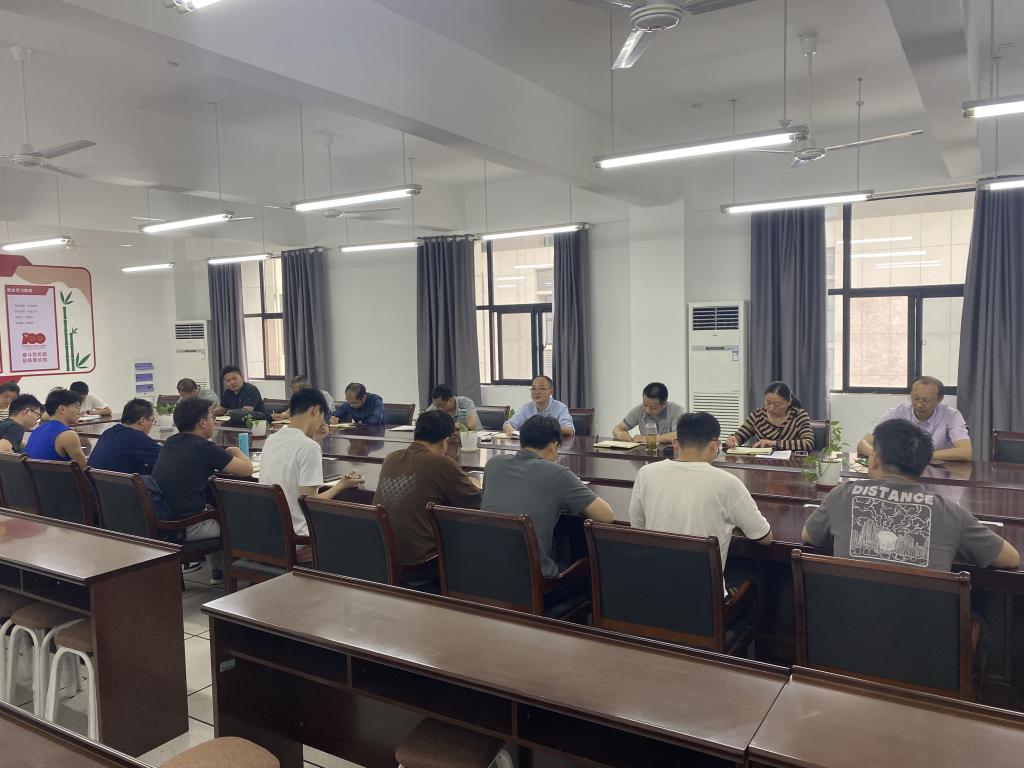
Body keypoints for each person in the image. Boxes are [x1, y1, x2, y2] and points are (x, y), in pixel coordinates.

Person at [805, 419, 1019, 571]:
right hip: (924, 623)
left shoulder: (842, 495)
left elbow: (809, 536)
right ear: (923, 468)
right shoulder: (950, 512)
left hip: (845, 620)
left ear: (875, 459)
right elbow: (1010, 559)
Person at [629, 412, 772, 585]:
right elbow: (764, 537)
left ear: (675, 444)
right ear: (715, 445)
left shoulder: (646, 473)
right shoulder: (728, 482)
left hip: (653, 587)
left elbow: (637, 527)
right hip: (704, 595)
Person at [483, 415, 613, 578]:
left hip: (487, 571)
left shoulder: (493, 464)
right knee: (587, 569)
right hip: (532, 580)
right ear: (553, 446)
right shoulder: (558, 474)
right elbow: (606, 516)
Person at [151, 398, 253, 585]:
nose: (213, 422)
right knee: (238, 519)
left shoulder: (170, 442)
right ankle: (247, 573)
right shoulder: (204, 447)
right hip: (186, 526)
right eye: (211, 418)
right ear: (203, 423)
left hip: (165, 518)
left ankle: (218, 572)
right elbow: (247, 470)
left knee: (212, 508)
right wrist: (237, 451)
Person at [374, 410, 482, 573]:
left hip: (382, 559)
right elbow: (476, 503)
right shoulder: (441, 463)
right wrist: (473, 484)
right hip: (421, 564)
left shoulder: (391, 458)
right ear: (445, 442)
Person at [258, 389, 361, 556]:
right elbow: (311, 502)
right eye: (322, 417)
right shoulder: (308, 447)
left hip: (269, 535)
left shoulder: (272, 439)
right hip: (297, 540)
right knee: (354, 532)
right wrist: (341, 485)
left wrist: (315, 441)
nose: (321, 423)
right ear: (315, 410)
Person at [857, 376, 972, 462]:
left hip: (939, 472)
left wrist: (921, 457)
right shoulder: (897, 413)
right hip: (903, 471)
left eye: (926, 401)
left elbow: (965, 452)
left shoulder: (951, 415)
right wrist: (884, 457)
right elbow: (863, 443)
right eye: (915, 398)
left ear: (939, 399)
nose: (919, 405)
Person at [726, 381, 813, 452]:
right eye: (768, 403)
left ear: (789, 402)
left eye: (777, 404)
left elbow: (808, 443)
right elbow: (740, 436)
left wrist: (773, 443)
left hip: (791, 463)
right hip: (761, 463)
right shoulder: (757, 415)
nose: (771, 408)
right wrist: (734, 440)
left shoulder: (799, 415)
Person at [86, 399, 162, 475]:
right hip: (121, 482)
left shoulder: (108, 432)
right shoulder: (135, 437)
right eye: (152, 421)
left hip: (96, 481)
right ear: (142, 420)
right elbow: (166, 458)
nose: (152, 424)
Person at [23, 388, 88, 467]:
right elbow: (84, 468)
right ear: (62, 409)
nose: (79, 412)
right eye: (77, 407)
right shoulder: (68, 435)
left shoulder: (37, 430)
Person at [612, 382, 685, 445]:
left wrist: (649, 439)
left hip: (671, 455)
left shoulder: (677, 411)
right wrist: (620, 434)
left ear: (664, 404)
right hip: (646, 453)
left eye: (653, 408)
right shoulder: (639, 409)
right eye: (645, 405)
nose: (647, 410)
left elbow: (680, 435)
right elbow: (617, 428)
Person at [503, 376, 574, 437]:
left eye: (541, 389)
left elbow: (569, 430)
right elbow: (508, 424)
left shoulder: (561, 408)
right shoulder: (526, 408)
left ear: (551, 391)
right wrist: (512, 432)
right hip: (530, 445)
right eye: (533, 389)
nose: (536, 392)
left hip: (552, 445)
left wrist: (544, 431)